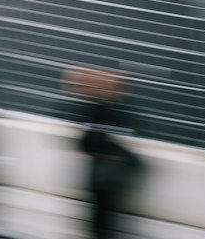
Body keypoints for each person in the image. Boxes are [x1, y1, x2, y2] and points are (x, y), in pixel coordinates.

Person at [62, 67, 144, 239]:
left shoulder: (97, 110)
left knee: (100, 223)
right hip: (104, 177)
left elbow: (86, 141)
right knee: (101, 223)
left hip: (102, 177)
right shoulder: (102, 110)